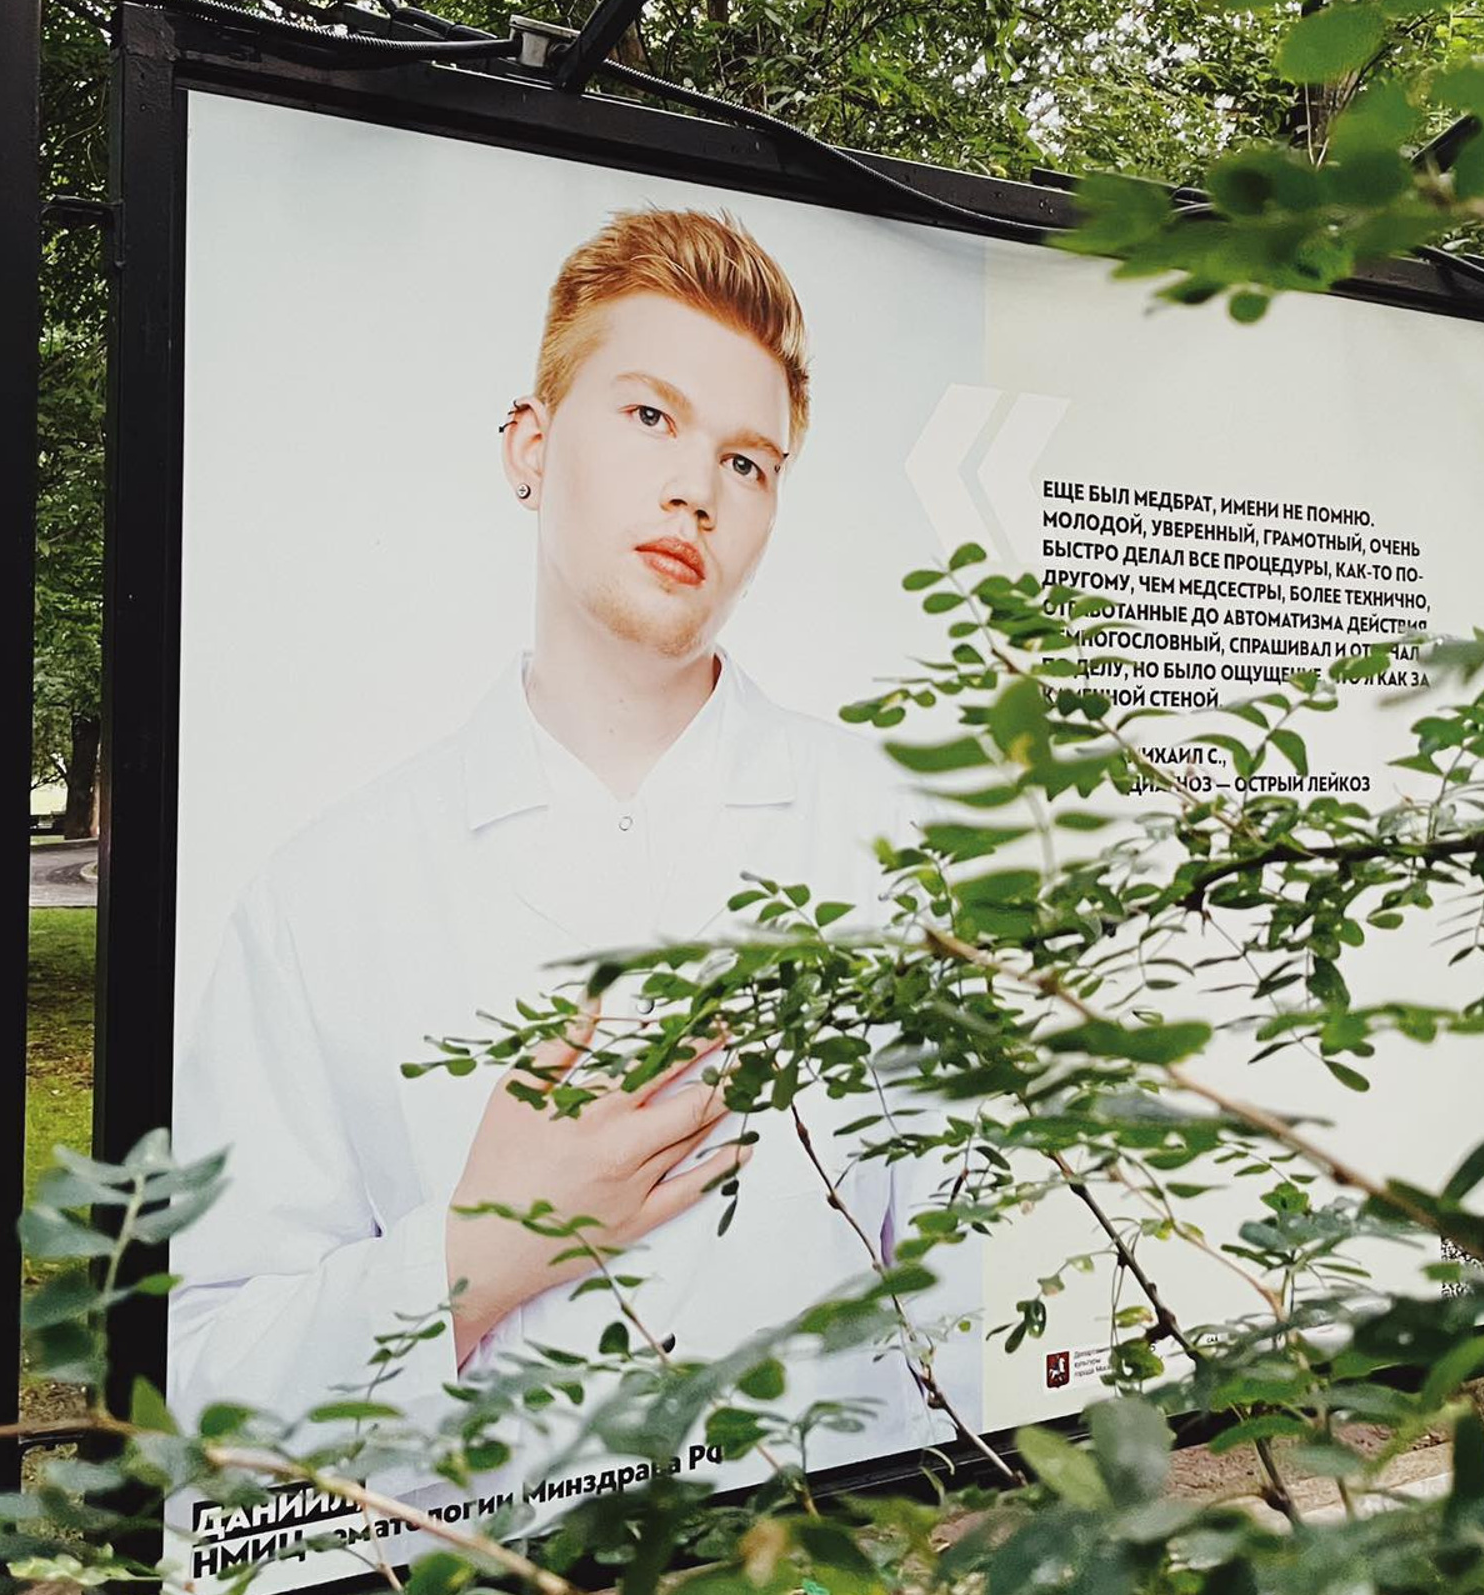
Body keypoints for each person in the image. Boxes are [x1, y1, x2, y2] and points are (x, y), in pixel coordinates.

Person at [168, 209, 972, 1510]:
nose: (696, 488)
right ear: (531, 447)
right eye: (650, 416)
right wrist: (485, 1242)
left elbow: (974, 1324)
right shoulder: (328, 892)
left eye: (749, 460)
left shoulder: (892, 849)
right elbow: (207, 1387)